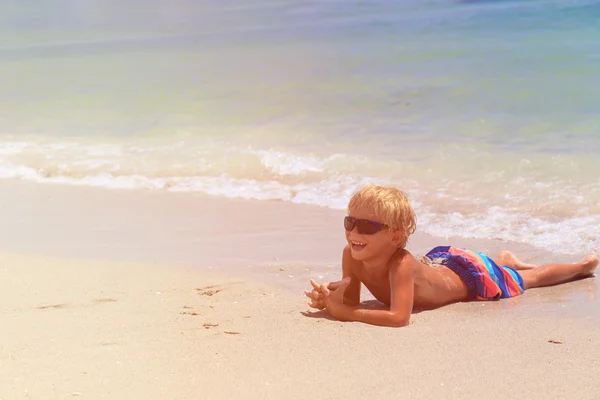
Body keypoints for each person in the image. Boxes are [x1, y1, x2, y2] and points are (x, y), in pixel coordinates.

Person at [305, 185, 598, 327]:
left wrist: (344, 313)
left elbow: (398, 317)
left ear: (395, 237)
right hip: (441, 262)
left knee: (530, 278)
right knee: (505, 267)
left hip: (472, 277)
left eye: (367, 226)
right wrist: (331, 295)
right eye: (350, 222)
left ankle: (581, 266)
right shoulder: (351, 254)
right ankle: (505, 261)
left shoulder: (401, 263)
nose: (355, 232)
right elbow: (352, 298)